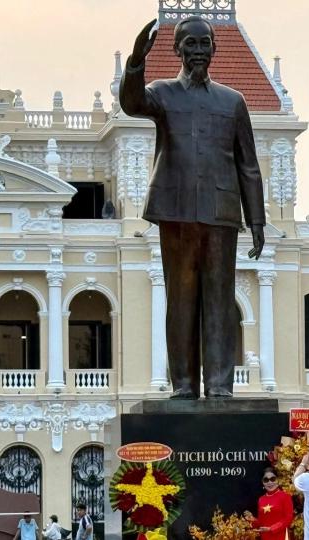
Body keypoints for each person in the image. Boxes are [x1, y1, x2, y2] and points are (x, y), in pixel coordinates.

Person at [121, 16, 266, 399]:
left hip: (221, 212)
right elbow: (131, 103)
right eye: (191, 44)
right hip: (176, 209)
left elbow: (247, 164)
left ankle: (219, 386)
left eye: (205, 44)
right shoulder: (163, 93)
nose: (198, 51)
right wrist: (136, 61)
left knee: (219, 301)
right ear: (177, 49)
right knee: (181, 300)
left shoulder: (232, 101)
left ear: (214, 50)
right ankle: (183, 385)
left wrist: (258, 220)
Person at [255, 467, 293, 540]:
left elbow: (288, 518)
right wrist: (253, 520)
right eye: (266, 480)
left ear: (277, 480)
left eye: (272, 479)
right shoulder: (261, 499)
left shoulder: (285, 496)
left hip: (280, 536)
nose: (270, 482)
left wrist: (271, 529)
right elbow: (261, 522)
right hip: (265, 537)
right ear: (262, 482)